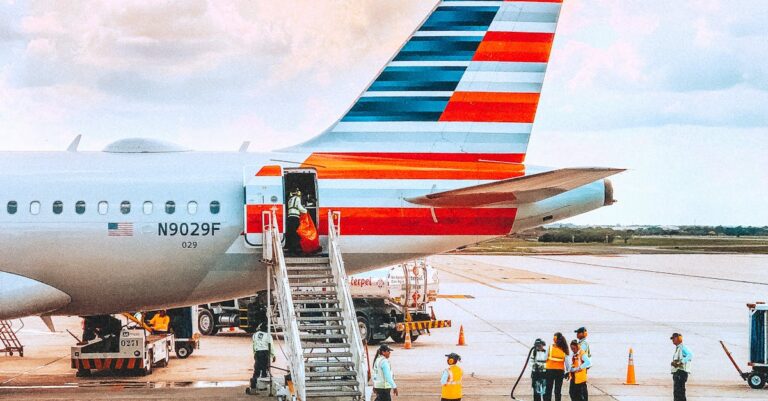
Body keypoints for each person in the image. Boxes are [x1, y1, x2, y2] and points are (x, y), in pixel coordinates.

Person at [544, 332, 569, 401]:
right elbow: (567, 363)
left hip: (549, 371)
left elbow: (544, 358)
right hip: (560, 372)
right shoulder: (564, 349)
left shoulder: (550, 347)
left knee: (548, 390)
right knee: (558, 391)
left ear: (555, 339)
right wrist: (568, 372)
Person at [670, 333, 693, 401]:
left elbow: (690, 355)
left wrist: (681, 362)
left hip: (681, 373)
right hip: (677, 373)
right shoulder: (678, 348)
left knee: (679, 392)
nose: (673, 340)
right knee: (677, 392)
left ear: (679, 338)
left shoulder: (682, 347)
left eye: (674, 338)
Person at [284, 188, 307, 255]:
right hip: (295, 217)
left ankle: (291, 248)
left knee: (291, 233)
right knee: (296, 233)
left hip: (290, 217)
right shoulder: (297, 198)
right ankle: (295, 249)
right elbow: (299, 207)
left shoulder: (290, 200)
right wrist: (305, 211)